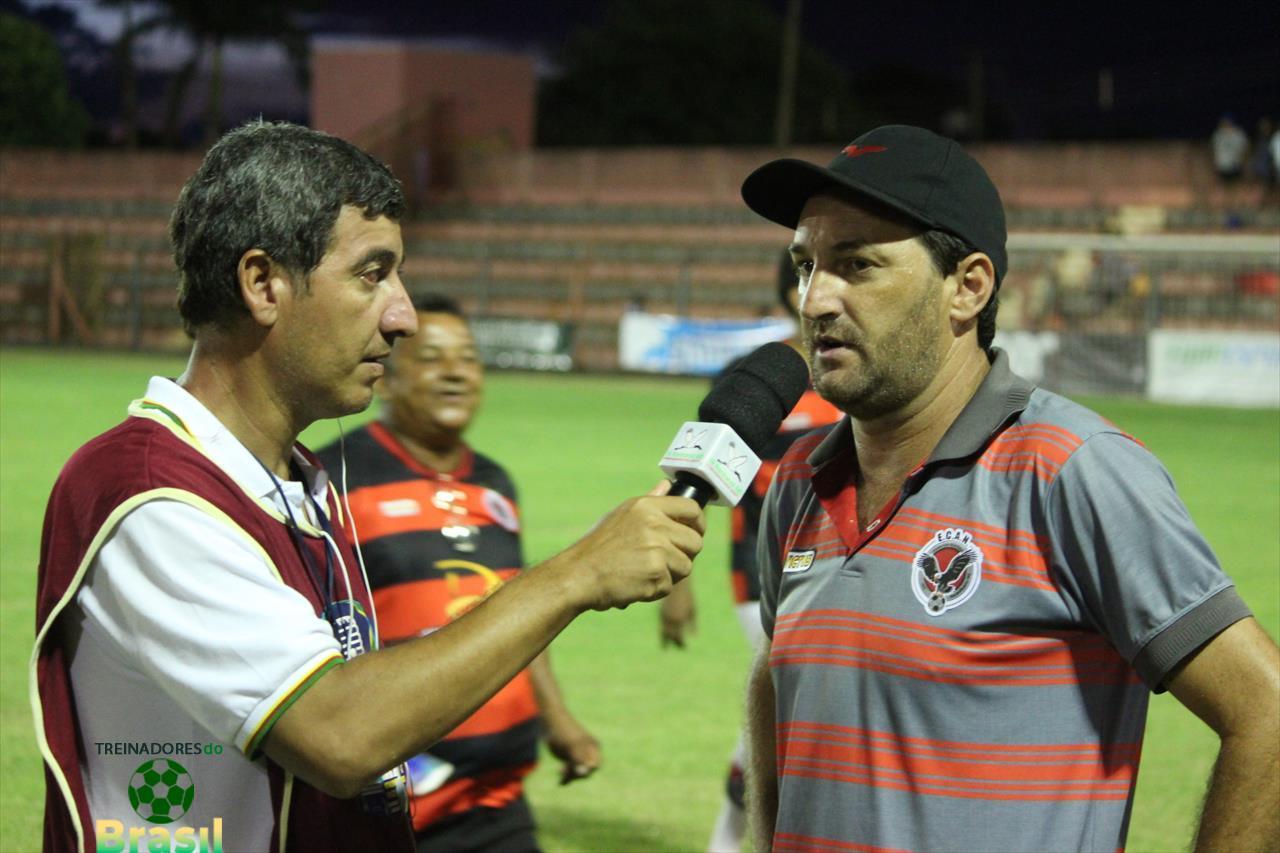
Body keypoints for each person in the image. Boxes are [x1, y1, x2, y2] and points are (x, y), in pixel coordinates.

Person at [33, 121, 704, 853]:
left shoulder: (295, 480)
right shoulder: (152, 496)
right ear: (264, 284)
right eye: (370, 273)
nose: (403, 314)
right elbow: (342, 733)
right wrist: (575, 574)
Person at [737, 124, 1279, 852]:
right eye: (806, 265)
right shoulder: (798, 481)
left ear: (968, 288)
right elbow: (778, 677)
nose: (815, 299)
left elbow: (1267, 714)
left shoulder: (1072, 469)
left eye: (857, 264)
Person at [316, 294, 600, 852]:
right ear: (389, 378)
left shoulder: (494, 484)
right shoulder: (333, 479)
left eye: (468, 359)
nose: (455, 373)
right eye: (432, 357)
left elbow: (518, 612)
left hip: (497, 800)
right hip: (391, 806)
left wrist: (557, 720)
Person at [659, 252, 840, 853]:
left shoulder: (861, 379)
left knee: (780, 717)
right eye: (817, 279)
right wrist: (677, 586)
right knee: (787, 710)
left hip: (844, 577)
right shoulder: (761, 382)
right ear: (796, 295)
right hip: (762, 580)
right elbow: (691, 480)